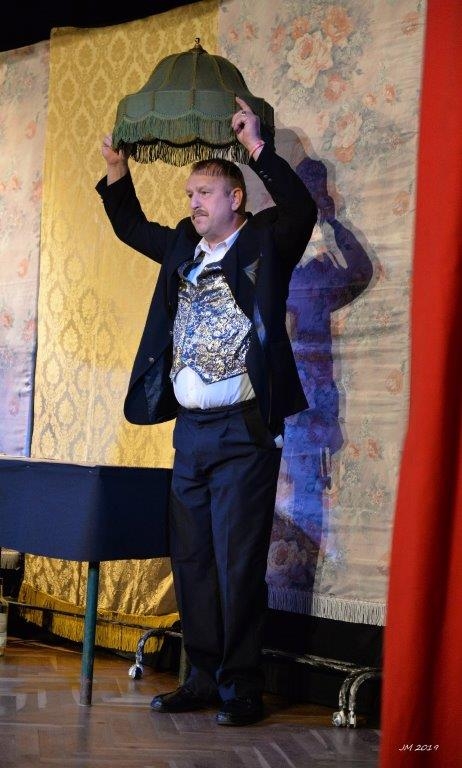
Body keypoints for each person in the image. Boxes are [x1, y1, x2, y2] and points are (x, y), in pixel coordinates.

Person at [96, 97, 317, 726]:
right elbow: (130, 226)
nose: (193, 203)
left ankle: (241, 685)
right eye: (190, 194)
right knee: (191, 558)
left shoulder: (265, 241)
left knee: (238, 561)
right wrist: (117, 171)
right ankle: (199, 676)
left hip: (244, 428)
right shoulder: (181, 247)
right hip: (191, 432)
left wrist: (256, 149)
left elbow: (302, 211)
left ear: (235, 199)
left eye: (204, 194)